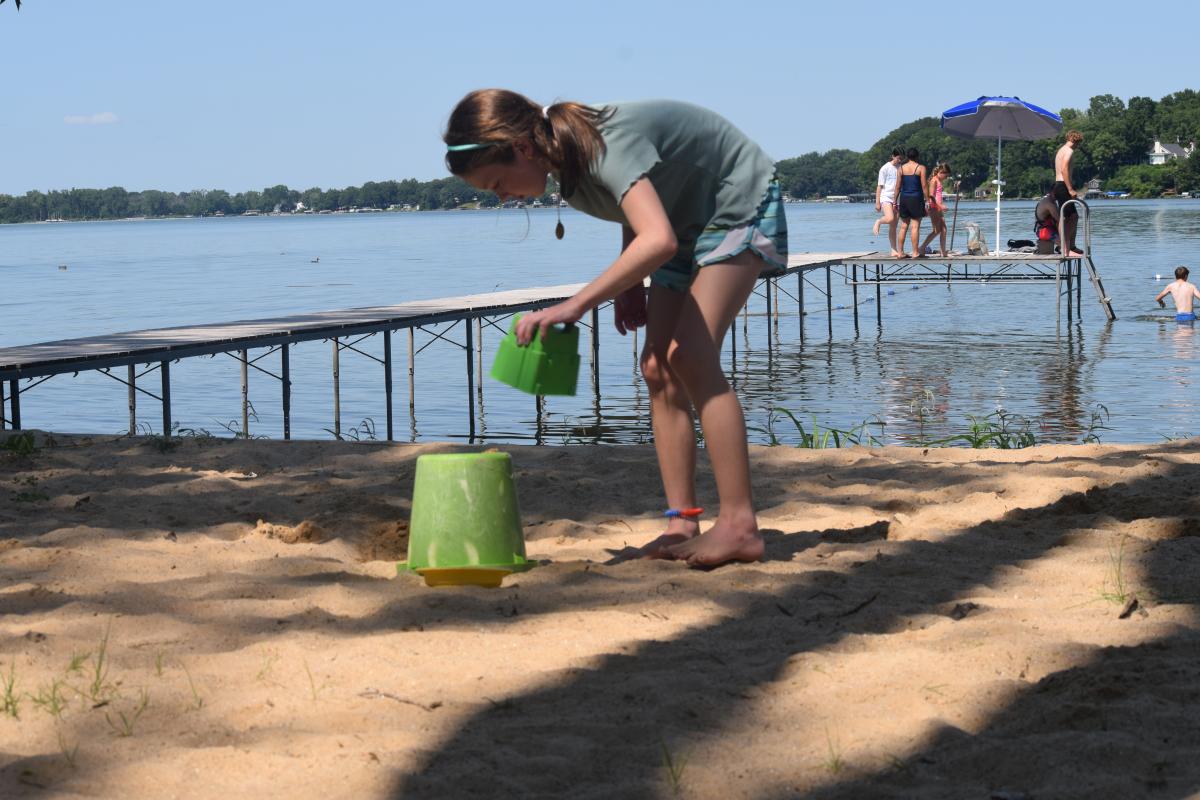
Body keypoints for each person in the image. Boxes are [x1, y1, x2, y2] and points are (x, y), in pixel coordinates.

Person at [444, 90, 788, 567]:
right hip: (685, 222)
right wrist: (629, 283)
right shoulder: (567, 167)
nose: (501, 196)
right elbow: (639, 205)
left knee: (689, 355)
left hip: (736, 201)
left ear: (522, 148)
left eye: (497, 183)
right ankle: (682, 522)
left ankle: (739, 526)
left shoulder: (602, 142)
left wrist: (575, 305)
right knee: (657, 369)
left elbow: (658, 239)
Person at [1053, 131, 1085, 257]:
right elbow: (1064, 169)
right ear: (1075, 140)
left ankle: (1069, 246)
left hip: (1059, 185)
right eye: (1078, 143)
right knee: (1070, 217)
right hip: (1063, 185)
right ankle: (1065, 247)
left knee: (1068, 217)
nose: (1078, 146)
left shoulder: (1061, 150)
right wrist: (1070, 188)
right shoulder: (1069, 151)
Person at [895, 148, 927, 258]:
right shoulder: (921, 168)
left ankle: (900, 253)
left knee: (903, 226)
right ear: (917, 156)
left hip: (904, 198)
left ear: (907, 157)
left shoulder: (901, 168)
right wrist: (928, 200)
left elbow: (898, 187)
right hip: (916, 198)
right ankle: (915, 252)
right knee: (915, 226)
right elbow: (924, 186)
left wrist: (894, 201)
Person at [873, 148, 904, 257]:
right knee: (890, 218)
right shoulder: (885, 168)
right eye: (898, 158)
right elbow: (879, 186)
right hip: (886, 197)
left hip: (897, 198)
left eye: (901, 158)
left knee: (894, 225)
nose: (899, 160)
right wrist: (877, 202)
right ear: (893, 156)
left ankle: (893, 249)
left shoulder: (901, 167)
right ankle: (878, 221)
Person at [920, 163, 951, 257]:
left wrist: (940, 206)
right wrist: (940, 206)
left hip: (937, 207)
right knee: (937, 230)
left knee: (943, 229)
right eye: (946, 176)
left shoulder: (938, 180)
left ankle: (943, 251)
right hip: (934, 207)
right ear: (941, 172)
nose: (946, 178)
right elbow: (931, 196)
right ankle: (922, 248)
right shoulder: (934, 180)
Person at [1033, 190, 1060, 254]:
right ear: (1052, 192)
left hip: (1046, 229)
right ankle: (1061, 247)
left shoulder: (1049, 200)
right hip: (1043, 231)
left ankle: (1059, 248)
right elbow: (1059, 220)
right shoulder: (1049, 203)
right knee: (1065, 243)